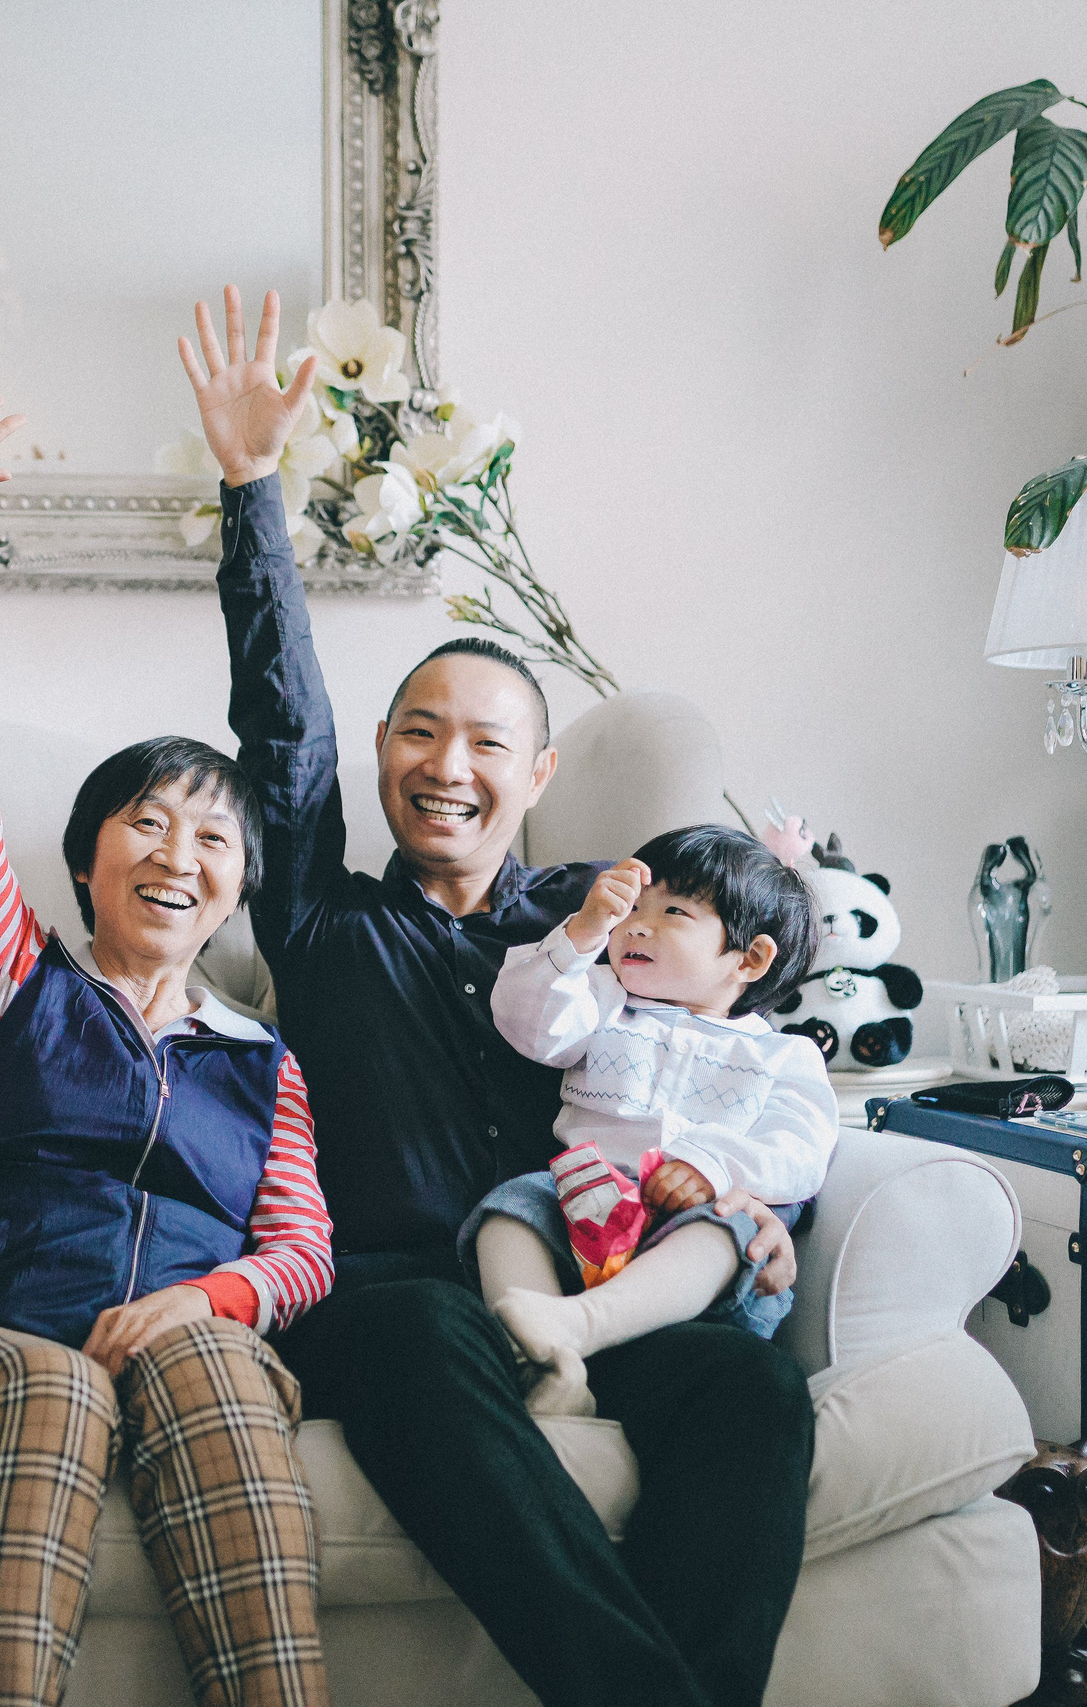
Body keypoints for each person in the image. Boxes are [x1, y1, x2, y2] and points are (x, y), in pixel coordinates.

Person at [187, 285, 816, 1707]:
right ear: (383, 757)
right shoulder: (322, 916)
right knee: (409, 1332)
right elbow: (278, 720)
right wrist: (250, 489)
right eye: (419, 731)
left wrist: (756, 1196)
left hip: (600, 1280)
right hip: (398, 1294)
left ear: (537, 777)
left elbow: (742, 1033)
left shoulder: (605, 915)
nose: (446, 763)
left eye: (485, 741)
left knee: (752, 1391)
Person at [0, 402, 336, 1707]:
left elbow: (302, 1248)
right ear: (85, 856)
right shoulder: (5, 975)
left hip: (194, 1342)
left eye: (214, 840)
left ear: (238, 890)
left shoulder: (263, 1060)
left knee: (208, 1356)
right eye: (146, 821)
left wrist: (209, 1298)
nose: (178, 854)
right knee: (51, 1378)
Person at [467, 824, 833, 1418]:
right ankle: (543, 1360)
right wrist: (579, 936)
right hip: (585, 1201)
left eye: (674, 912)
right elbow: (529, 1024)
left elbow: (801, 1147)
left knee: (726, 1230)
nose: (637, 924)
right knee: (509, 1210)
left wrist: (711, 1166)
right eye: (633, 907)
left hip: (695, 1221)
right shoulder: (603, 999)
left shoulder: (782, 1057)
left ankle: (577, 1327)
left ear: (750, 958)